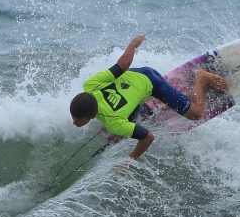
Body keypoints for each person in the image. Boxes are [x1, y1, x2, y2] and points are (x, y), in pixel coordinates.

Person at [69, 35, 228, 159]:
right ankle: (141, 107)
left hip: (153, 83)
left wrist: (130, 160)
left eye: (78, 119)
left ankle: (201, 78)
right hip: (139, 73)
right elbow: (122, 67)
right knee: (118, 133)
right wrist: (132, 46)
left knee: (196, 113)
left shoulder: (114, 121)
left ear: (91, 116)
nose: (75, 122)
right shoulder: (90, 85)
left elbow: (148, 137)